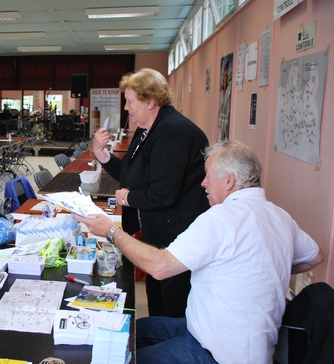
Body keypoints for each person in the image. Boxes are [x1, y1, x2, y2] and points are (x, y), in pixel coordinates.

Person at [77, 140, 324, 363]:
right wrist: (263, 268)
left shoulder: (222, 218)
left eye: (208, 176)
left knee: (117, 355)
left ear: (228, 181)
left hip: (215, 354)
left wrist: (111, 231)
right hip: (214, 335)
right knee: (134, 329)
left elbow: (160, 267)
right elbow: (314, 256)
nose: (203, 183)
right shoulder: (279, 216)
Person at [92, 68, 209, 318]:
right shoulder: (149, 129)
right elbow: (130, 173)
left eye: (130, 101)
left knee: (172, 305)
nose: (126, 108)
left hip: (177, 233)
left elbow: (162, 193)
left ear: (150, 101)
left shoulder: (171, 133)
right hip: (158, 228)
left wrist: (126, 198)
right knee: (157, 300)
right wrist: (103, 155)